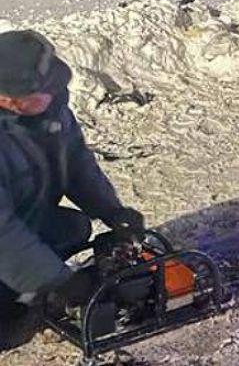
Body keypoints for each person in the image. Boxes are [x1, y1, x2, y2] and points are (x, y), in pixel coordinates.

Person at [0, 30, 144, 349]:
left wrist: (112, 211)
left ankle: (29, 287)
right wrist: (55, 281)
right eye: (46, 88)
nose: (58, 91)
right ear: (9, 99)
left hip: (22, 216)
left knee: (73, 226)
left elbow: (77, 164)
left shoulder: (50, 111)